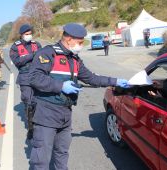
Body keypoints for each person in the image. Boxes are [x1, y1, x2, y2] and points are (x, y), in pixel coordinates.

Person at [28, 23, 129, 170]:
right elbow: (35, 78)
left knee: (62, 152)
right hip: (46, 113)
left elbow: (91, 78)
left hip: (65, 113)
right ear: (69, 39)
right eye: (80, 42)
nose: (81, 45)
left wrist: (115, 81)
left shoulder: (74, 59)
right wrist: (61, 86)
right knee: (41, 159)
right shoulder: (47, 53)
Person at [9, 24, 42, 139]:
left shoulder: (36, 44)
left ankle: (40, 125)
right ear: (22, 35)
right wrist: (32, 55)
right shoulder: (15, 47)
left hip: (38, 76)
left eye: (30, 34)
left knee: (39, 101)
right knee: (29, 102)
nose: (29, 36)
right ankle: (31, 127)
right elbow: (17, 62)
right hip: (25, 77)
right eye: (26, 34)